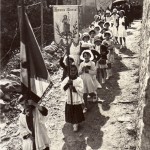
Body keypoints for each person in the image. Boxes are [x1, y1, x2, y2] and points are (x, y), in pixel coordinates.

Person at [61, 65, 85, 132]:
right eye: (71, 70)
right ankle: (73, 121)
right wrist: (68, 84)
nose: (73, 72)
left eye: (74, 70)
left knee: (76, 111)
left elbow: (82, 89)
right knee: (70, 110)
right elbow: (63, 88)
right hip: (69, 97)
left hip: (76, 98)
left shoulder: (79, 80)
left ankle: (76, 124)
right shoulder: (66, 79)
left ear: (76, 71)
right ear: (69, 71)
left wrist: (74, 88)